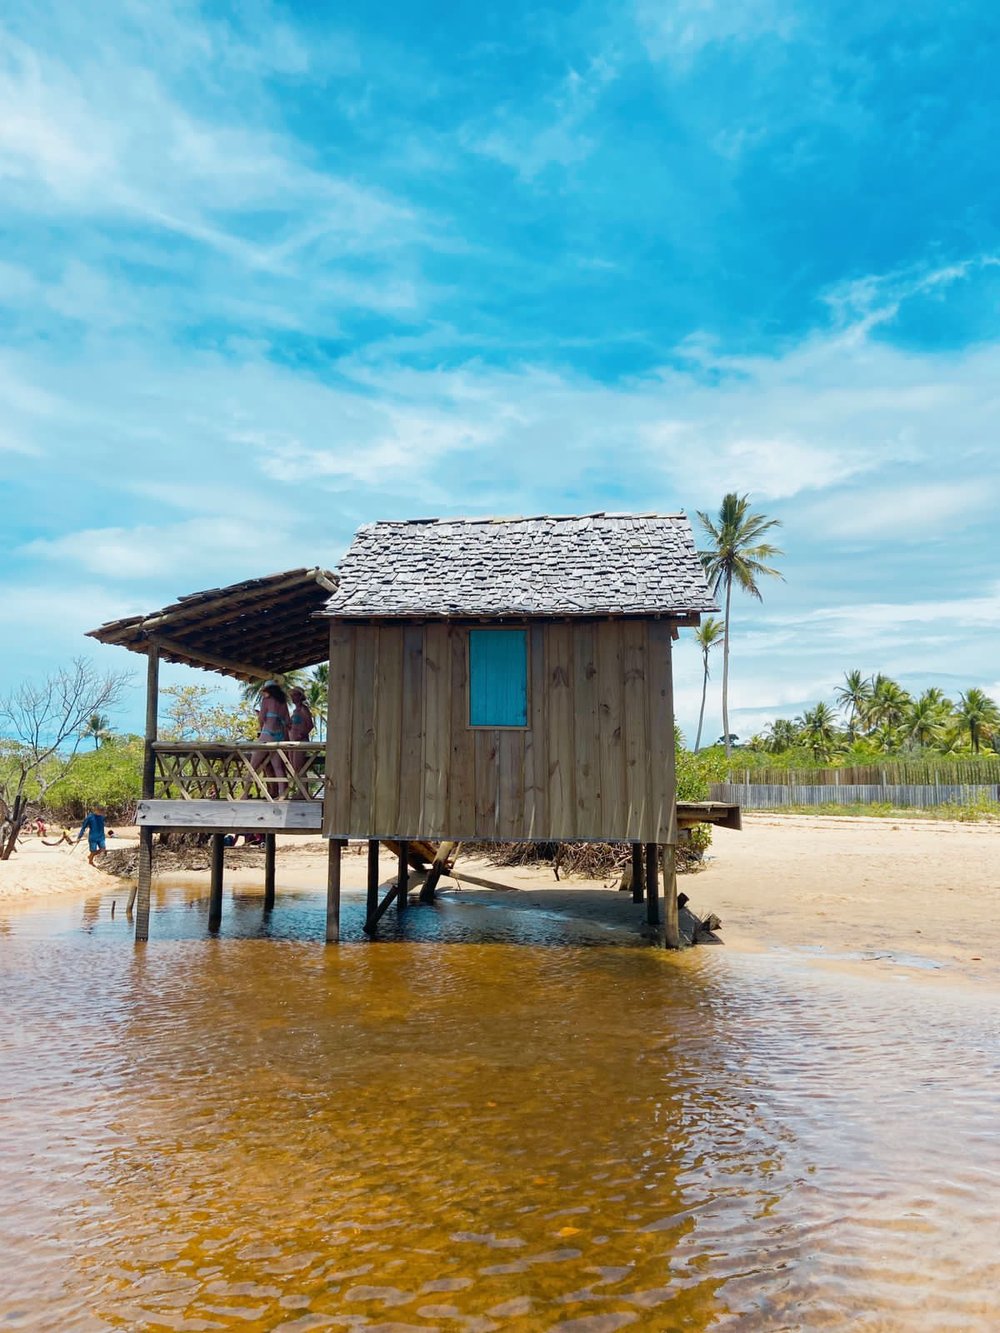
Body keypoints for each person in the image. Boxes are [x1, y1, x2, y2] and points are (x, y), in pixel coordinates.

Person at [250, 681, 291, 798]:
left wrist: (261, 724)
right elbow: (288, 722)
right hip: (279, 737)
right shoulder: (283, 703)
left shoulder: (266, 701)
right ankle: (282, 794)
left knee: (253, 766)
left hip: (267, 734)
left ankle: (245, 794)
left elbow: (262, 718)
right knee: (278, 767)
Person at [287, 686, 315, 789]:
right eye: (291, 695)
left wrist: (302, 734)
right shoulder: (294, 711)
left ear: (300, 696)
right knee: (293, 767)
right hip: (292, 741)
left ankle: (303, 792)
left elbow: (310, 725)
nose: (292, 697)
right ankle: (299, 790)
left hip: (300, 741)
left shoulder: (304, 709)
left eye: (294, 695)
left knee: (299, 767)